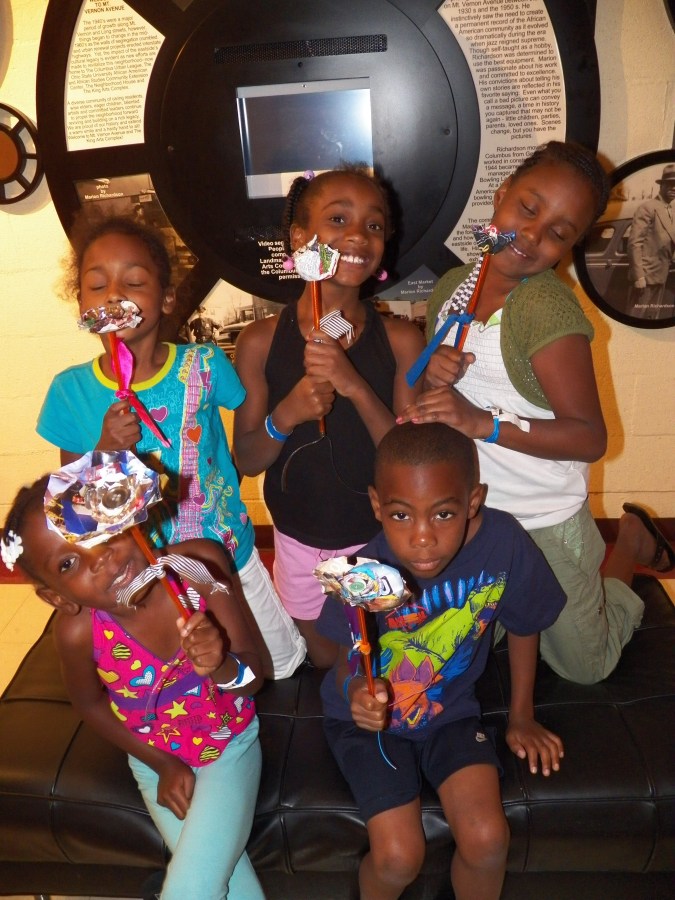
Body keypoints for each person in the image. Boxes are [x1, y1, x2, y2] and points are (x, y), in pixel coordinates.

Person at [399, 141, 674, 685]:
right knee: (474, 648)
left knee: (584, 667)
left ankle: (631, 544)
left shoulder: (545, 309)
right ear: (502, 195)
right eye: (527, 208)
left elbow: (590, 438)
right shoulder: (454, 288)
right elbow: (435, 399)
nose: (531, 235)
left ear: (570, 246)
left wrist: (482, 423)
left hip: (543, 519)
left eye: (558, 232)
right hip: (477, 516)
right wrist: (434, 378)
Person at [36, 215, 306, 680]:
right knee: (193, 671)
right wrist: (106, 448)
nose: (114, 294)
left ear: (165, 299)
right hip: (143, 572)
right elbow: (76, 510)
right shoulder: (69, 392)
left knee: (278, 665)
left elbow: (246, 425)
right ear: (81, 303)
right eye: (97, 285)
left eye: (133, 282)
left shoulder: (205, 363)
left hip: (228, 552)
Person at [317, 422, 565, 900]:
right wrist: (356, 691)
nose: (423, 539)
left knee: (488, 841)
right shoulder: (362, 574)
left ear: (474, 501)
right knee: (398, 858)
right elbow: (338, 657)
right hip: (369, 726)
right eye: (401, 516)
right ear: (377, 506)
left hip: (450, 714)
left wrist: (521, 715)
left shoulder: (503, 542)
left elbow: (524, 622)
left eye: (444, 514)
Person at [0, 476, 266, 900]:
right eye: (68, 563)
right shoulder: (77, 633)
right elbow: (89, 705)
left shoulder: (198, 567)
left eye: (98, 527)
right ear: (58, 598)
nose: (99, 557)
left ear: (127, 514)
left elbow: (253, 682)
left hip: (228, 744)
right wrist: (161, 763)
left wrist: (221, 666)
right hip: (153, 758)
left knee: (190, 890)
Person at [233, 165, 426, 667]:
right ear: (300, 238)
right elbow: (247, 459)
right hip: (299, 540)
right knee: (327, 663)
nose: (358, 235)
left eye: (374, 225)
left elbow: (409, 461)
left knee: (377, 661)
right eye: (338, 219)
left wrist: (353, 384)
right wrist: (287, 413)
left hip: (380, 536)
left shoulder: (402, 341)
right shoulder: (259, 342)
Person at [627, 163, 675, 319]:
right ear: (661, 185)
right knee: (636, 317)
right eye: (670, 184)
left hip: (662, 274)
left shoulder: (671, 209)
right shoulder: (647, 208)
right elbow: (634, 243)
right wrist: (639, 276)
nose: (674, 188)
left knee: (652, 317)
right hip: (646, 277)